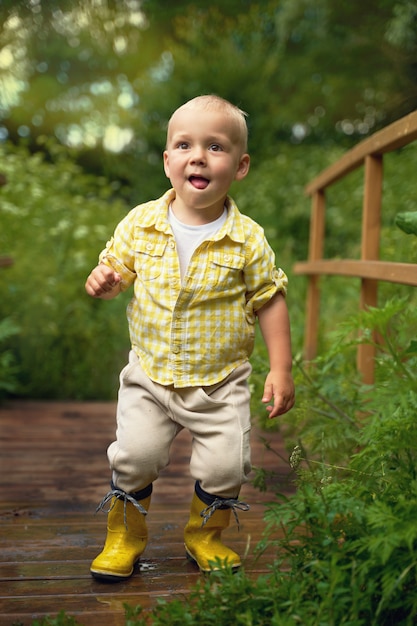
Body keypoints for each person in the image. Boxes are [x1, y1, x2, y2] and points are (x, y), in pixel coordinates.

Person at [85, 94, 295, 581]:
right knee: (136, 457)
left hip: (220, 382)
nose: (197, 156)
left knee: (226, 466)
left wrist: (281, 368)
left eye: (215, 147)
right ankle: (124, 536)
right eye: (184, 145)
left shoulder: (247, 238)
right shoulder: (141, 222)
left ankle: (205, 535)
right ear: (167, 161)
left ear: (240, 166)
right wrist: (102, 280)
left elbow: (270, 298)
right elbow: (113, 268)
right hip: (150, 377)